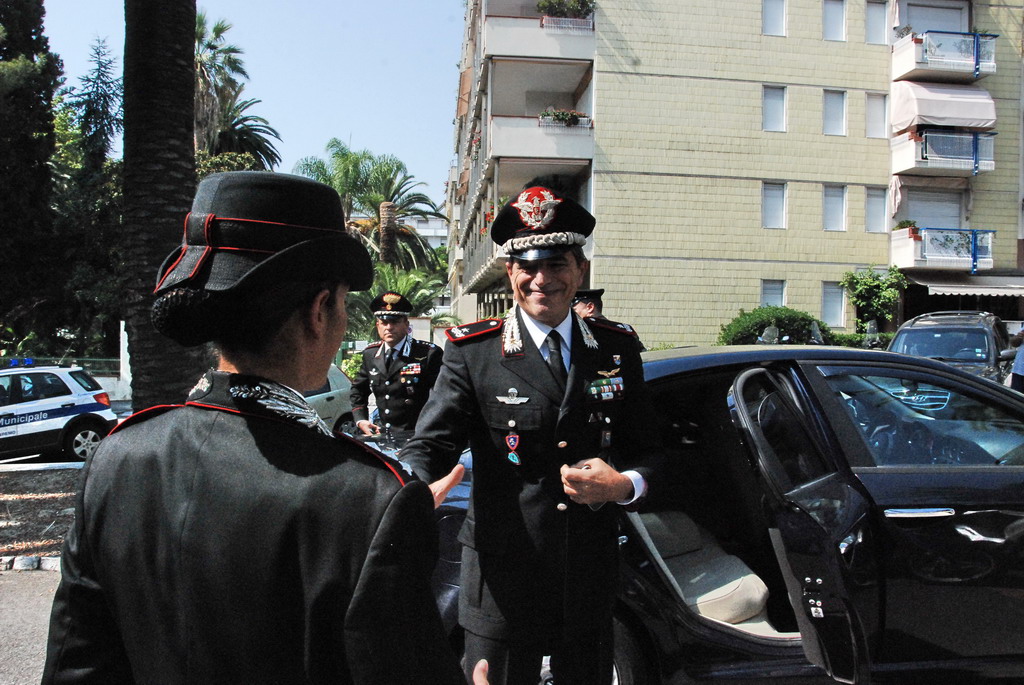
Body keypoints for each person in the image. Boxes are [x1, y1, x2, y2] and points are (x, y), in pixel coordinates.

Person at [41, 171, 485, 685]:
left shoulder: (117, 457)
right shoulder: (369, 497)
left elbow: (77, 664)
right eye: (344, 302)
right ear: (320, 310)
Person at [401, 185, 663, 685]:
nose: (542, 279)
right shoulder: (474, 351)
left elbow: (651, 450)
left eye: (557, 264)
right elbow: (431, 444)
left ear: (580, 270)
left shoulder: (616, 348)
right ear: (511, 272)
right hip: (501, 581)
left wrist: (623, 485)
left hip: (587, 577)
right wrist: (410, 488)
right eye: (528, 266)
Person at [350, 291, 443, 442]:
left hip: (417, 436)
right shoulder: (371, 354)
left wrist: (429, 431)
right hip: (383, 435)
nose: (389, 327)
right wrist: (361, 419)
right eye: (384, 323)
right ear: (378, 325)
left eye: (394, 322)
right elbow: (358, 390)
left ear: (406, 324)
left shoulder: (427, 353)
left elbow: (441, 397)